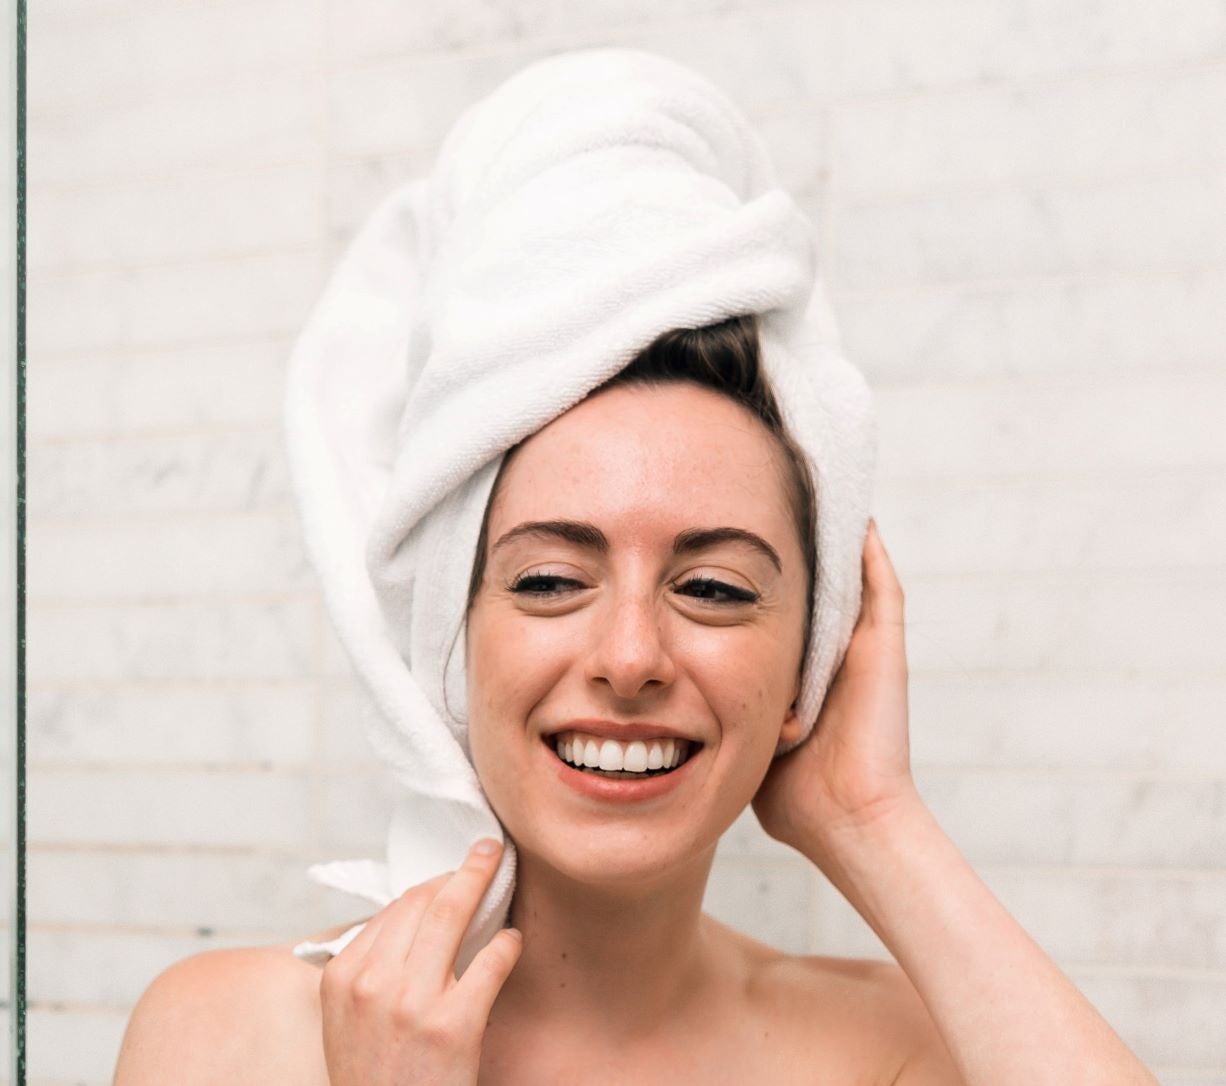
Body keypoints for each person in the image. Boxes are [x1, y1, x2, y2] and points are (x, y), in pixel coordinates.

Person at [113, 316, 1155, 1084]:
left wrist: (872, 820)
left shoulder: (891, 1051)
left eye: (712, 588)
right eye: (549, 580)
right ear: (447, 646)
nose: (628, 656)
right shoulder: (231, 1039)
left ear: (808, 665)